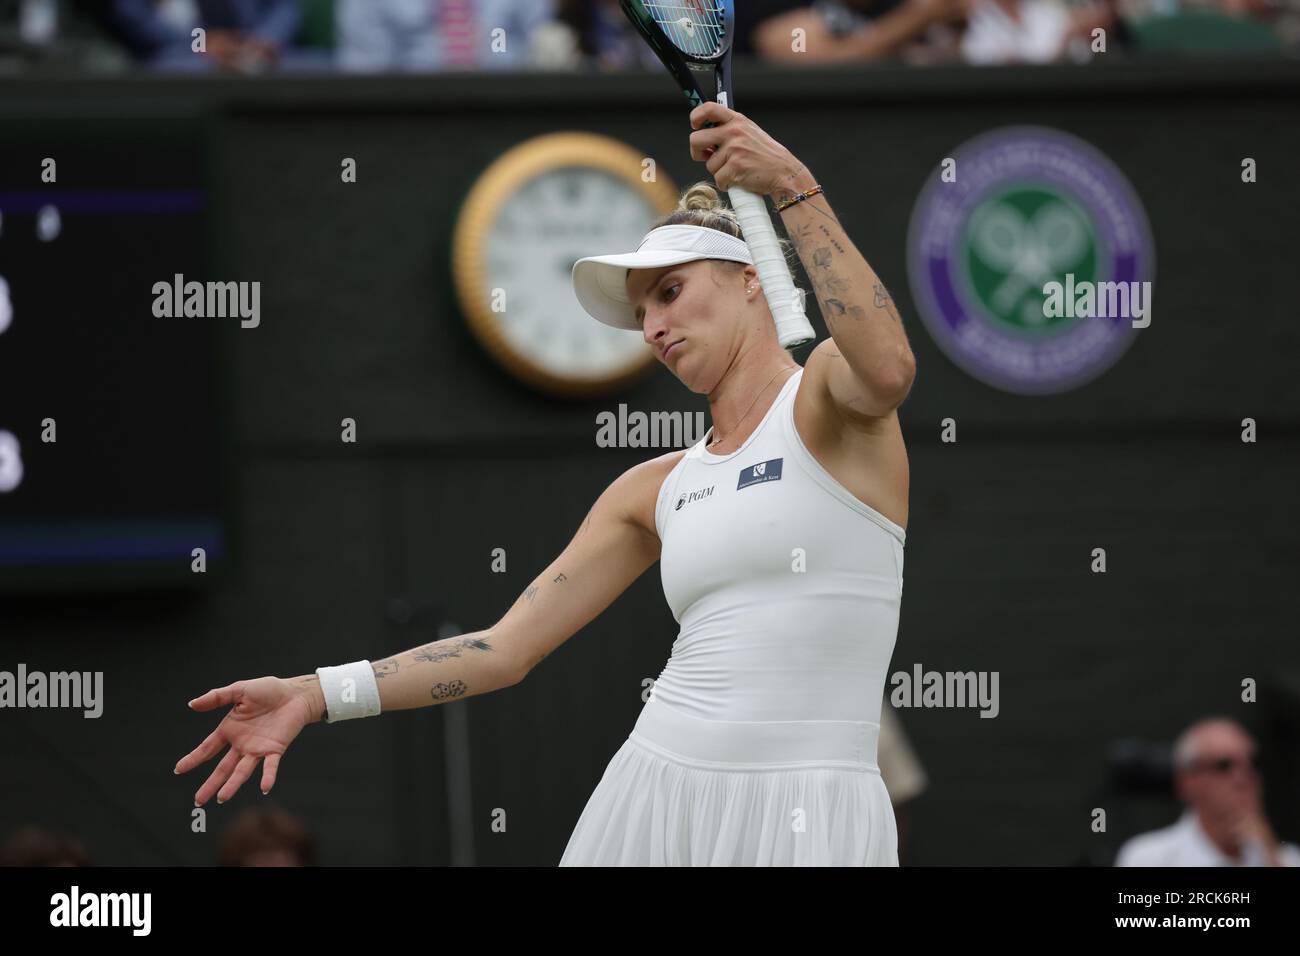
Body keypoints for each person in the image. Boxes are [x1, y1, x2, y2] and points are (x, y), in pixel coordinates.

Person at [175, 101, 917, 865]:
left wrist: (793, 184)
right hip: (657, 793)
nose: (654, 327)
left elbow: (890, 365)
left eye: (670, 292)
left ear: (751, 281)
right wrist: (314, 693)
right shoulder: (651, 487)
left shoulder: (831, 395)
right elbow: (503, 651)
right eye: (640, 313)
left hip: (819, 813)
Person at [1115, 717, 1300, 867]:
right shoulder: (1149, 859)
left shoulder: (1286, 858)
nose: (1243, 777)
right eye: (1224, 766)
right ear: (1186, 782)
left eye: (1253, 763)